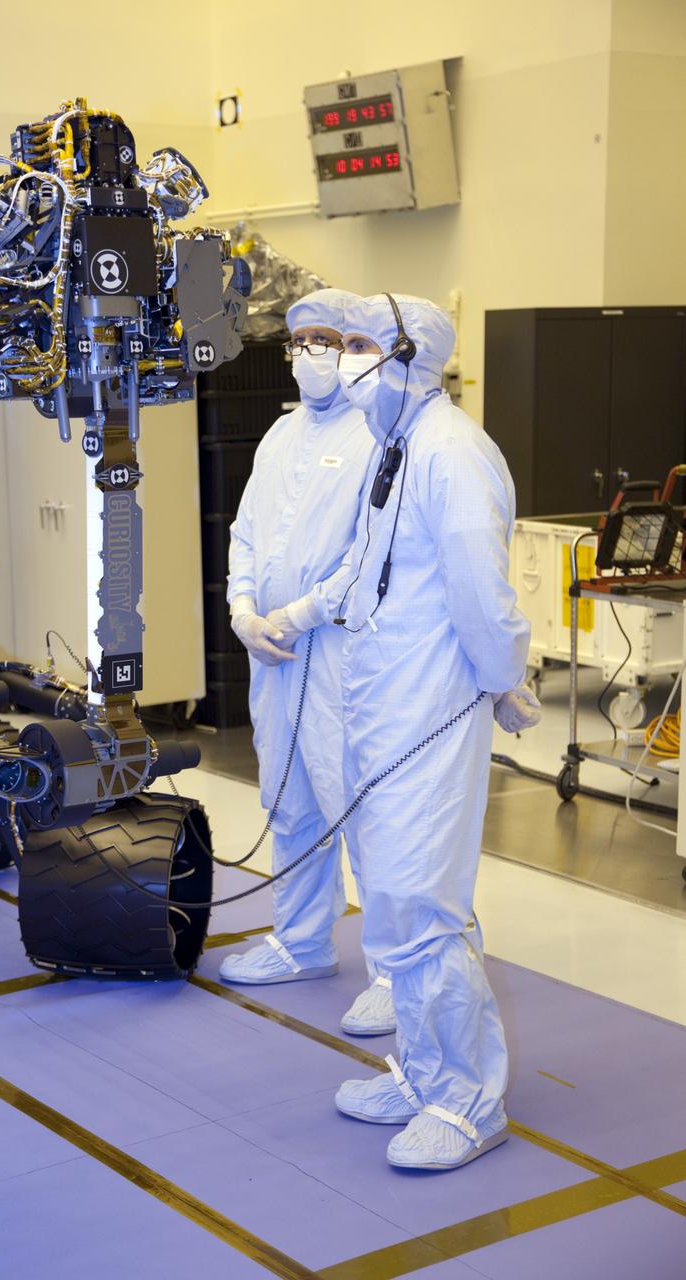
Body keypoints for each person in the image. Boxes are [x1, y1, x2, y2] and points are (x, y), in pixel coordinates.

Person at [266, 292, 540, 1170]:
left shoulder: (453, 453)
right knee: (388, 900)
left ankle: (465, 1100)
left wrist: (504, 680)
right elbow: (361, 568)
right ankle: (422, 1073)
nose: (336, 359)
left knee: (420, 907)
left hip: (427, 710)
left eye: (353, 344)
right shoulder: (397, 444)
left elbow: (478, 592)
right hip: (379, 705)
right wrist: (289, 613)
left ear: (406, 354)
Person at [221, 288, 396, 1037]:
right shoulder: (280, 435)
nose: (310, 354)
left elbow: (370, 556)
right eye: (299, 342)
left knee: (361, 808)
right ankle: (299, 941)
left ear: (361, 348)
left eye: (328, 339)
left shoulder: (384, 435)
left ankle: (397, 975)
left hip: (340, 654)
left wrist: (294, 614)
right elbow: (248, 532)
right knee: (289, 800)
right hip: (274, 656)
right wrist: (242, 612)